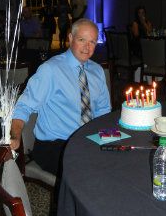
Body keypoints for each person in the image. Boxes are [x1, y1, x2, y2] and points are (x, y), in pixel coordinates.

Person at [10, 19, 111, 176]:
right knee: (88, 172)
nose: (87, 47)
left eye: (92, 42)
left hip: (88, 140)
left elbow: (103, 110)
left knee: (118, 161)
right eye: (82, 40)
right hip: (54, 145)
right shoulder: (50, 70)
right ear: (70, 38)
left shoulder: (97, 71)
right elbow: (23, 106)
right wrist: (14, 136)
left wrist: (106, 139)